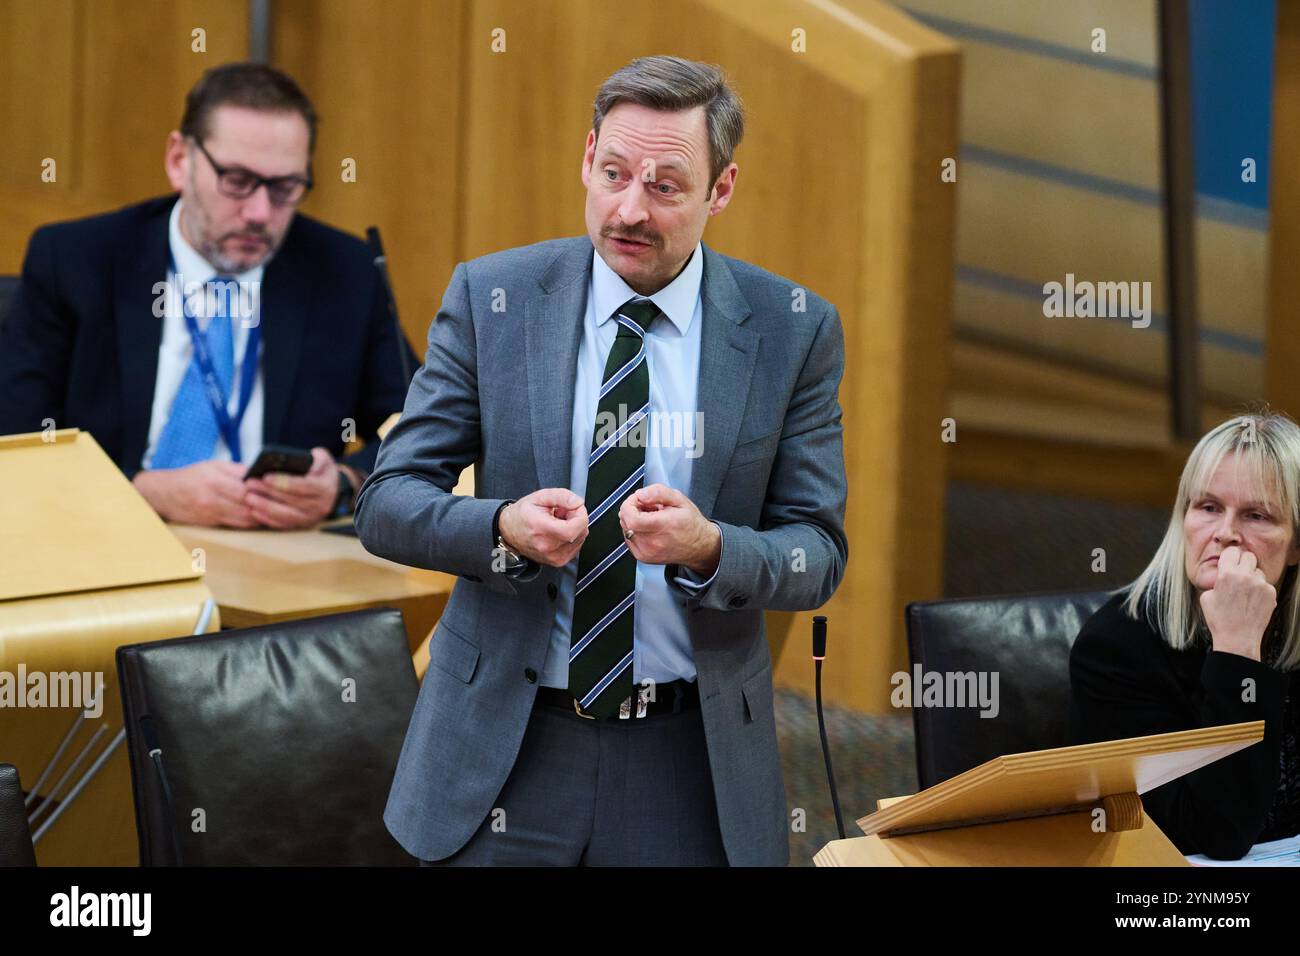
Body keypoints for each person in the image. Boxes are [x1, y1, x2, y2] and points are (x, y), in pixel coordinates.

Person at [354, 55, 848, 866]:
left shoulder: (791, 331)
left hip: (687, 757)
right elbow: (388, 501)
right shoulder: (495, 299)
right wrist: (501, 530)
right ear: (587, 158)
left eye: (664, 186)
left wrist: (712, 548)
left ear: (721, 190)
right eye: (613, 172)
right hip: (506, 752)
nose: (629, 209)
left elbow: (816, 554)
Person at [0, 62, 416, 529]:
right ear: (180, 161)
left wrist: (344, 483)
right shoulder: (77, 260)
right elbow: (19, 445)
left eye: (285, 188)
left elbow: (420, 429)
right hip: (102, 535)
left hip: (282, 557)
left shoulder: (345, 272)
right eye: (237, 181)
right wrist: (142, 491)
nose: (259, 212)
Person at [1070, 411, 1300, 859]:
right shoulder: (1117, 647)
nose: (1226, 535)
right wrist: (1237, 649)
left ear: (1296, 545)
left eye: (1256, 515)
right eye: (1208, 507)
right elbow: (1215, 833)